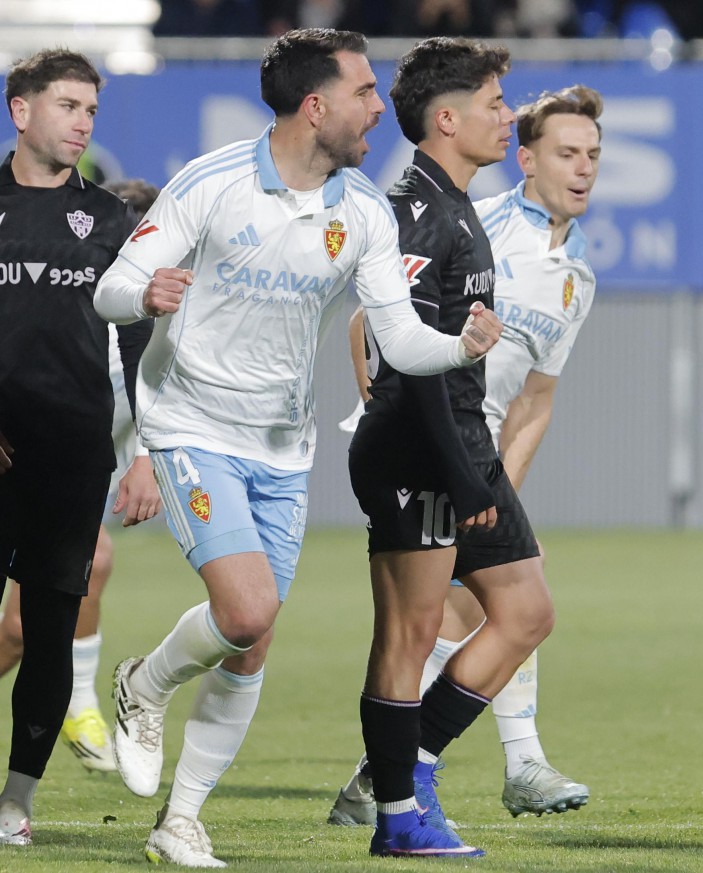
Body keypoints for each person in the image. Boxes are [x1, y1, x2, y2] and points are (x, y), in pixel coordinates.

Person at [93, 28, 502, 867]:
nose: (379, 108)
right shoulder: (212, 182)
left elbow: (398, 337)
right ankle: (144, 682)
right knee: (246, 609)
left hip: (283, 443)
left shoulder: (363, 211)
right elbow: (111, 288)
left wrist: (459, 346)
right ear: (316, 106)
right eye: (364, 92)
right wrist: (146, 292)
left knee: (253, 638)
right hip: (192, 423)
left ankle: (180, 819)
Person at [330, 84, 602, 828]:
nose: (583, 168)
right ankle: (439, 774)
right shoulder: (478, 224)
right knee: (436, 622)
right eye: (567, 152)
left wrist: (498, 486)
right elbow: (367, 322)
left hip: (475, 457)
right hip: (429, 442)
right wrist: (385, 406)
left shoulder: (579, 275)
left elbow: (536, 400)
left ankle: (391, 777)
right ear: (528, 160)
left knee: (488, 610)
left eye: (593, 155)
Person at [0, 48, 143, 848]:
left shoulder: (112, 221)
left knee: (50, 628)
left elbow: (141, 348)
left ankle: (16, 802)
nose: (82, 121)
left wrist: (147, 451)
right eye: (67, 105)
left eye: (90, 108)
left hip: (70, 457)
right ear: (21, 110)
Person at [0, 177, 163, 776]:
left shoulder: (150, 330)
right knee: (21, 629)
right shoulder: (72, 320)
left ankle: (77, 706)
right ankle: (79, 704)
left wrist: (147, 457)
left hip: (63, 478)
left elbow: (159, 394)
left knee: (31, 623)